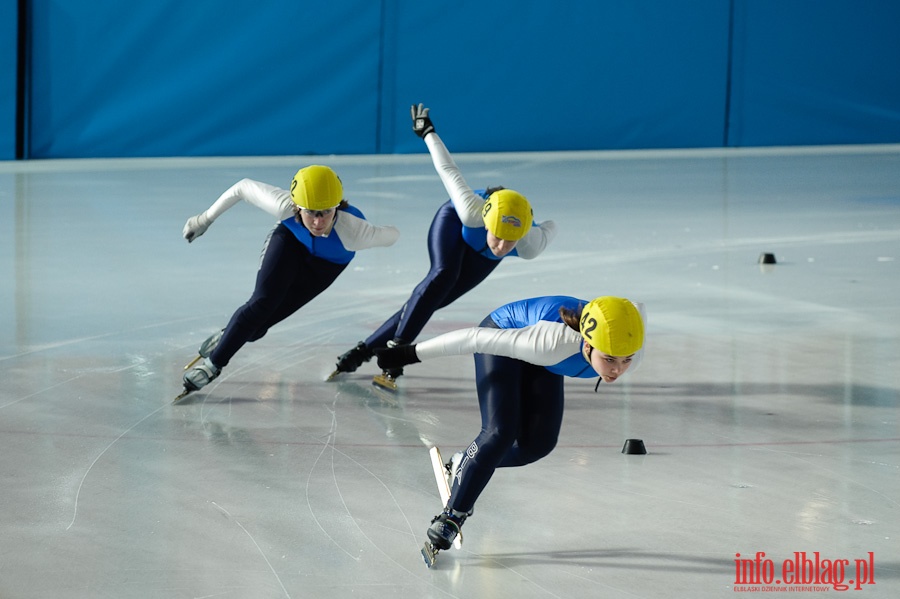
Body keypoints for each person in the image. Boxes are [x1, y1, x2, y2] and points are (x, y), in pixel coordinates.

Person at [373, 295, 646, 559]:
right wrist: (407, 354)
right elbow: (472, 338)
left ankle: (462, 463)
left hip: (541, 359)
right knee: (500, 432)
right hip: (504, 335)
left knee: (537, 445)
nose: (617, 369)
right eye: (609, 359)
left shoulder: (630, 343)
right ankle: (452, 516)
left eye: (627, 360)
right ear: (587, 344)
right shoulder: (551, 343)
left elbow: (637, 308)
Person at [329, 104, 557, 390]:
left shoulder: (529, 244)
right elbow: (448, 169)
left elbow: (552, 226)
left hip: (484, 247)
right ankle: (397, 350)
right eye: (497, 236)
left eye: (509, 240)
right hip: (452, 225)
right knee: (443, 275)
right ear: (486, 223)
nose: (501, 246)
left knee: (433, 301)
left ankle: (362, 351)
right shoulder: (471, 211)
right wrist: (427, 132)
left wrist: (537, 225)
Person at [176, 165, 400, 399]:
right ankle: (212, 365)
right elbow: (242, 187)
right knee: (262, 303)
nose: (318, 221)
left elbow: (393, 235)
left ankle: (229, 334)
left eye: (326, 212)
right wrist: (204, 219)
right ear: (296, 207)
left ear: (337, 207)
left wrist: (381, 231)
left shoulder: (356, 232)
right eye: (310, 212)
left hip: (326, 266)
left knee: (256, 329)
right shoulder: (283, 205)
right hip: (290, 242)